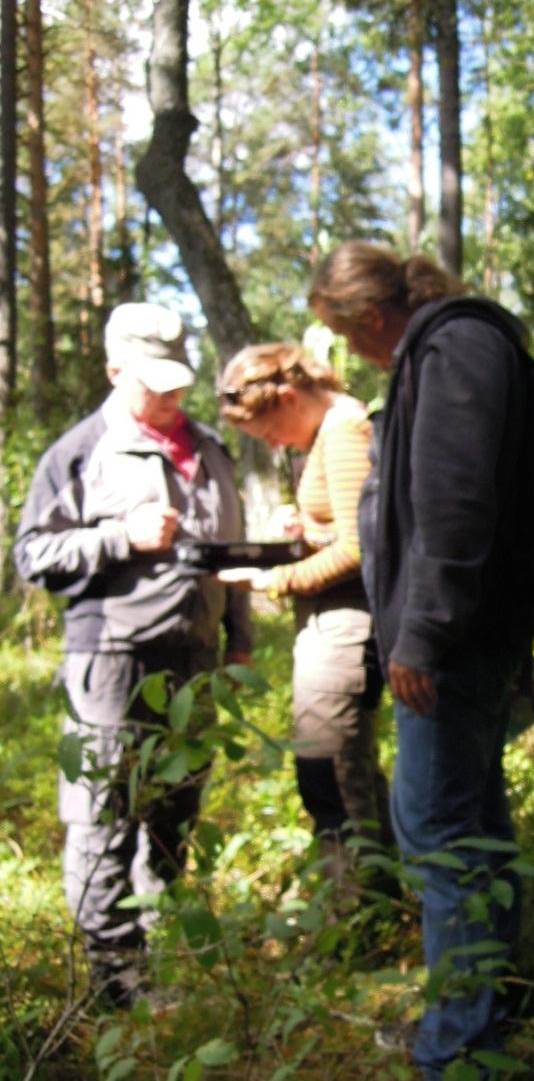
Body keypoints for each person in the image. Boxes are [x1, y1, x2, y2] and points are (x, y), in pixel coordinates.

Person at [308, 241, 534, 1081]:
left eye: (341, 332)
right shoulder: (446, 349)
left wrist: (422, 633)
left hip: (451, 645)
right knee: (471, 827)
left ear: (363, 318)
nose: (349, 350)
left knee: (438, 842)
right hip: (457, 637)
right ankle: (490, 1004)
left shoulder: (449, 349)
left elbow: (452, 501)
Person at [14, 302, 253, 1010]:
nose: (173, 395)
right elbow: (33, 553)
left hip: (196, 657)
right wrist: (120, 535)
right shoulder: (79, 451)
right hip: (112, 659)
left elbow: (225, 555)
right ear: (116, 371)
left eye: (180, 380)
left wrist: (238, 634)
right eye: (157, 382)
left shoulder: (210, 446)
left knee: (176, 804)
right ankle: (115, 983)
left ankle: (162, 948)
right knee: (102, 812)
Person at [215, 342, 387, 885]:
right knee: (343, 768)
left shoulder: (341, 432)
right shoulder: (330, 432)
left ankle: (358, 908)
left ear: (288, 396)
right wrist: (308, 532)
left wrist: (277, 579)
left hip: (345, 626)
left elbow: (361, 549)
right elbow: (350, 527)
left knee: (330, 773)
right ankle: (379, 896)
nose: (271, 443)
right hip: (332, 623)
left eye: (268, 431)